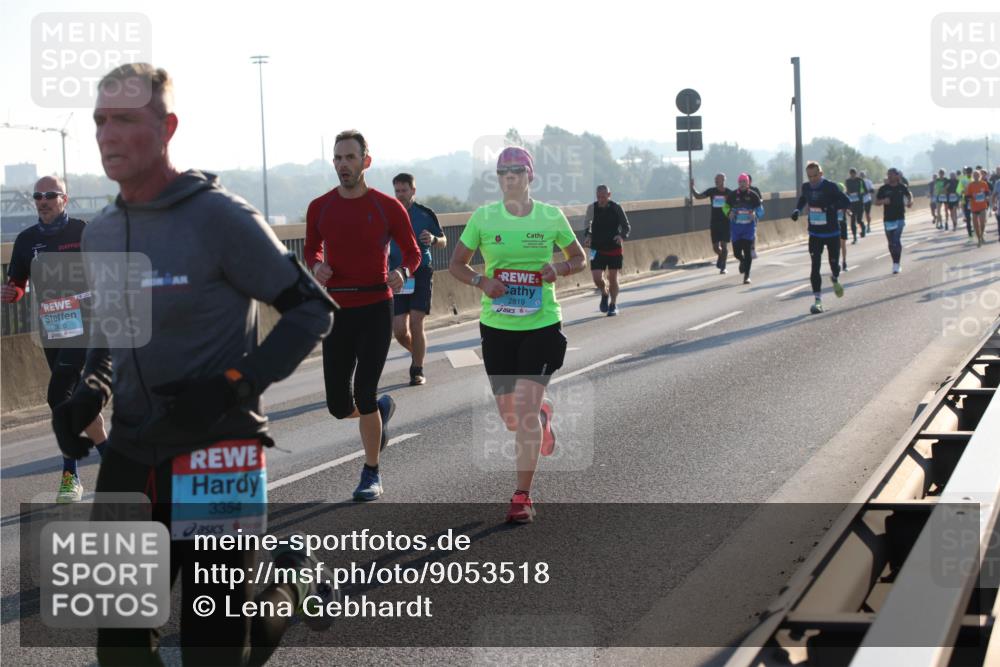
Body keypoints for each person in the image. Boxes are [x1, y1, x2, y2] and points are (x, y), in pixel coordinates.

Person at [52, 63, 339, 665]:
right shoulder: (101, 233)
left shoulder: (220, 218)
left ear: (167, 127)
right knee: (121, 650)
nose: (107, 134)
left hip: (218, 453)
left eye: (126, 119)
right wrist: (91, 387)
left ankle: (288, 587)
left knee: (215, 651)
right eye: (101, 120)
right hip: (132, 453)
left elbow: (313, 310)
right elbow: (112, 325)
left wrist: (235, 385)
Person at [449, 146, 585, 524]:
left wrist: (559, 267)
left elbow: (579, 258)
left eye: (516, 171)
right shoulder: (484, 218)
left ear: (530, 177)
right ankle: (541, 415)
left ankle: (521, 496)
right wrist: (481, 280)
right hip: (497, 326)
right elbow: (456, 264)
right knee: (511, 418)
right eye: (502, 172)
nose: (509, 177)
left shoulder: (550, 216)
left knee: (522, 415)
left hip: (541, 324)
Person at [306, 131, 421, 501]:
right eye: (338, 158)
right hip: (337, 309)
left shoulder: (388, 206)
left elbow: (412, 251)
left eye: (350, 158)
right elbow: (311, 249)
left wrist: (403, 273)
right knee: (339, 406)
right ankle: (379, 413)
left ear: (365, 161)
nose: (343, 165)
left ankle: (371, 471)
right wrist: (317, 266)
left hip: (375, 306)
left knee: (365, 392)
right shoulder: (319, 206)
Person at [2, 175, 108, 503]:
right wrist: (12, 292)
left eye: (50, 194)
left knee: (58, 394)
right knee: (76, 400)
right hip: (54, 328)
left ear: (65, 198)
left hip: (88, 327)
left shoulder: (83, 232)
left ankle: (70, 475)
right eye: (37, 196)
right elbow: (18, 282)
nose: (43, 200)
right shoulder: (26, 240)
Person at [389, 173, 446, 386]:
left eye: (404, 190)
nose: (400, 195)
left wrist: (433, 239)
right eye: (397, 191)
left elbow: (443, 241)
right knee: (399, 331)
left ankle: (417, 369)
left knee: (415, 322)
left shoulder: (425, 213)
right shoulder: (389, 213)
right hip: (397, 274)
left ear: (413, 191)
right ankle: (419, 353)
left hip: (421, 271)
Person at [791, 162, 849, 314]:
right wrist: (797, 209)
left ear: (821, 173)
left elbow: (846, 201)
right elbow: (803, 198)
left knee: (834, 265)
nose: (813, 179)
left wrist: (830, 207)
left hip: (832, 233)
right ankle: (818, 301)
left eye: (815, 175)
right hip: (815, 233)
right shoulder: (806, 187)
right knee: (814, 266)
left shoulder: (830, 186)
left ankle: (835, 278)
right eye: (810, 176)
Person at [583, 184, 630, 316]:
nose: (601, 199)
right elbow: (587, 225)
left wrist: (621, 236)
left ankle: (613, 304)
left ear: (609, 195)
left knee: (613, 277)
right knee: (597, 278)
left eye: (603, 197)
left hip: (614, 247)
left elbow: (626, 227)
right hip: (596, 248)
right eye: (598, 197)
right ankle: (604, 292)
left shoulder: (616, 208)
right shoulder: (592, 208)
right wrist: (588, 236)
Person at [690, 174, 732, 274]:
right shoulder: (712, 191)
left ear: (723, 180)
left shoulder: (729, 193)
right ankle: (721, 256)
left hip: (726, 222)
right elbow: (698, 196)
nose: (716, 181)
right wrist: (692, 187)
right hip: (715, 222)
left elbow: (736, 203)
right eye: (715, 179)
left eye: (718, 179)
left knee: (724, 245)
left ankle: (723, 267)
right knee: (715, 247)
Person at [875, 167, 913, 274]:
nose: (889, 176)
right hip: (888, 219)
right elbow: (876, 202)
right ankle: (894, 261)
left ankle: (897, 264)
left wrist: (910, 202)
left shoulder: (902, 187)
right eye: (888, 174)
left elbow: (909, 195)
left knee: (896, 240)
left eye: (891, 174)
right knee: (891, 242)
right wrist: (883, 201)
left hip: (900, 217)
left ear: (897, 176)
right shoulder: (883, 189)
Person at [726, 173, 761, 285]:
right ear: (738, 183)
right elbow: (725, 207)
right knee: (736, 253)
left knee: (747, 251)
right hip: (736, 228)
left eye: (744, 182)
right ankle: (742, 261)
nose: (742, 184)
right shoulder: (732, 195)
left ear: (748, 183)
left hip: (748, 228)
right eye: (740, 182)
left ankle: (747, 276)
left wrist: (755, 214)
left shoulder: (753, 195)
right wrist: (728, 212)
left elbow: (761, 210)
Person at [966, 170, 991, 247]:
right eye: (974, 175)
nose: (976, 176)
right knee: (976, 225)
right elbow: (967, 196)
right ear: (973, 176)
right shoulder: (970, 185)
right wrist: (971, 198)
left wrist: (986, 197)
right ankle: (979, 239)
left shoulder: (983, 183)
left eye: (977, 175)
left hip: (982, 206)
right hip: (974, 207)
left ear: (980, 175)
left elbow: (987, 192)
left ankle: (982, 234)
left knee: (982, 223)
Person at [844, 168, 868, 243]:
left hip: (859, 202)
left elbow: (866, 191)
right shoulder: (847, 181)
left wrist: (860, 194)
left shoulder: (860, 180)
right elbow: (847, 190)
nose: (852, 175)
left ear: (856, 173)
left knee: (859, 220)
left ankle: (863, 228)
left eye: (854, 173)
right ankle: (855, 237)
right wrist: (848, 195)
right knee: (852, 220)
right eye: (851, 173)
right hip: (851, 203)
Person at [958, 166, 973, 237]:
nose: (969, 173)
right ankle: (970, 234)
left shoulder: (975, 178)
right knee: (968, 218)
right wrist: (962, 191)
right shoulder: (963, 180)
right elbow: (958, 190)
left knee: (976, 216)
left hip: (975, 200)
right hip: (966, 201)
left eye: (970, 172)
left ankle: (978, 229)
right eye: (967, 172)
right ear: (966, 172)